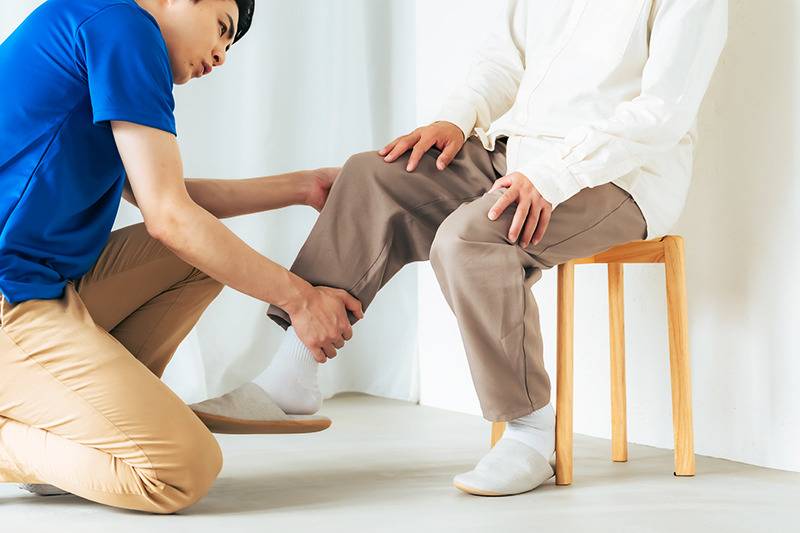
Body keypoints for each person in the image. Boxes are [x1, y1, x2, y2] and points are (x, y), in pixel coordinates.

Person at [209, 0, 728, 496]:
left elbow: (664, 112)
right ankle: (295, 366)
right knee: (370, 175)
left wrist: (553, 176)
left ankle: (530, 431)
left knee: (472, 237)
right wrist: (455, 119)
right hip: (514, 155)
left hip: (619, 178)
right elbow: (503, 61)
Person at [0, 0, 362, 513]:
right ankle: (62, 438)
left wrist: (304, 187)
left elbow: (168, 198)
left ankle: (88, 431)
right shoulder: (123, 27)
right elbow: (169, 217)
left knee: (198, 254)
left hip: (41, 286)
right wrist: (301, 301)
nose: (221, 55)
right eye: (221, 28)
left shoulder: (99, 25)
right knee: (179, 471)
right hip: (12, 296)